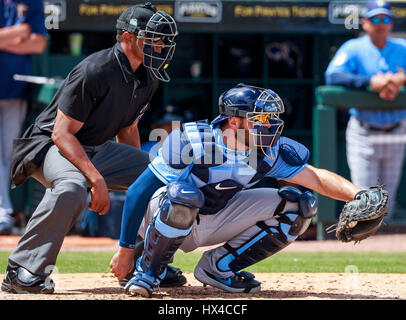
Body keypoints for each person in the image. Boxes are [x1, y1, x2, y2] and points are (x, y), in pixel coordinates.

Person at [109, 84, 364, 297]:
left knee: (300, 205)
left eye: (271, 119)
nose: (270, 125)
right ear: (234, 121)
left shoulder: (268, 151)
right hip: (162, 214)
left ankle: (217, 268)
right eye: (261, 119)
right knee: (185, 196)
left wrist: (359, 196)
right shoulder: (192, 141)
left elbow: (317, 179)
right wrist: (126, 249)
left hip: (213, 218)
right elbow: (138, 192)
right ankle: (148, 273)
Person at [1, 2, 185, 294]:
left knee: (166, 179)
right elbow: (62, 133)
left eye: (162, 38)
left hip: (95, 148)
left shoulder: (149, 75)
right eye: (152, 37)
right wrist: (96, 179)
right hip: (47, 146)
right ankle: (23, 269)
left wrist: (141, 179)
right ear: (126, 37)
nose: (161, 44)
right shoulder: (96, 68)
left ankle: (147, 262)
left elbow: (128, 129)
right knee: (72, 188)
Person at [325, 0, 406, 218]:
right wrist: (371, 82)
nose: (381, 23)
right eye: (375, 19)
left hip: (396, 128)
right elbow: (333, 76)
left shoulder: (402, 48)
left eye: (385, 18)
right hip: (364, 129)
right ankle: (365, 240)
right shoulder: (353, 48)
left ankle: (383, 249)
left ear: (391, 22)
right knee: (366, 197)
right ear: (365, 23)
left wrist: (400, 79)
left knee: (387, 197)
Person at [0, 0, 47, 235]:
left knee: (8, 152)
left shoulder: (32, 2)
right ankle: (3, 211)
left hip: (13, 86)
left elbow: (38, 43)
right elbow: (25, 34)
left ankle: (3, 212)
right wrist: (19, 34)